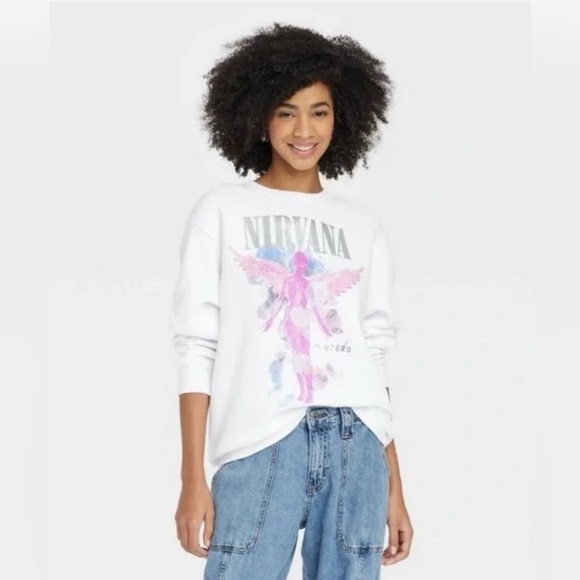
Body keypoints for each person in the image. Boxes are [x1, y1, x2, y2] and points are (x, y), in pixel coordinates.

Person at [171, 22, 414, 579]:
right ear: (259, 117)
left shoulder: (362, 225)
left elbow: (373, 357)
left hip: (358, 443)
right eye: (286, 112)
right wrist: (191, 478)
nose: (304, 130)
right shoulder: (222, 211)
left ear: (341, 117)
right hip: (260, 441)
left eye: (319, 112)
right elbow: (196, 345)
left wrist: (395, 487)